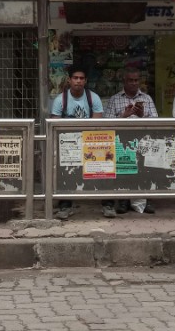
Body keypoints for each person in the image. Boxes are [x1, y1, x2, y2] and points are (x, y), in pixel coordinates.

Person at [49, 66, 103, 220]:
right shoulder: (60, 100)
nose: (78, 81)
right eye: (75, 78)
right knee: (65, 170)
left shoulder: (94, 98)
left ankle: (108, 203)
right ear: (69, 80)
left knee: (104, 164)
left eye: (81, 78)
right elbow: (55, 126)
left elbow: (97, 125)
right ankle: (65, 205)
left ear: (85, 81)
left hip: (89, 141)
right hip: (68, 143)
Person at [103, 67, 158, 216]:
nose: (133, 83)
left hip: (143, 140)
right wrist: (123, 116)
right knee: (124, 169)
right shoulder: (115, 99)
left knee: (146, 169)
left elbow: (156, 122)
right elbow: (106, 123)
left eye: (136, 80)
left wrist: (142, 116)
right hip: (122, 141)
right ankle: (124, 200)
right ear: (124, 81)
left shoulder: (146, 98)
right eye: (130, 80)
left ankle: (147, 199)